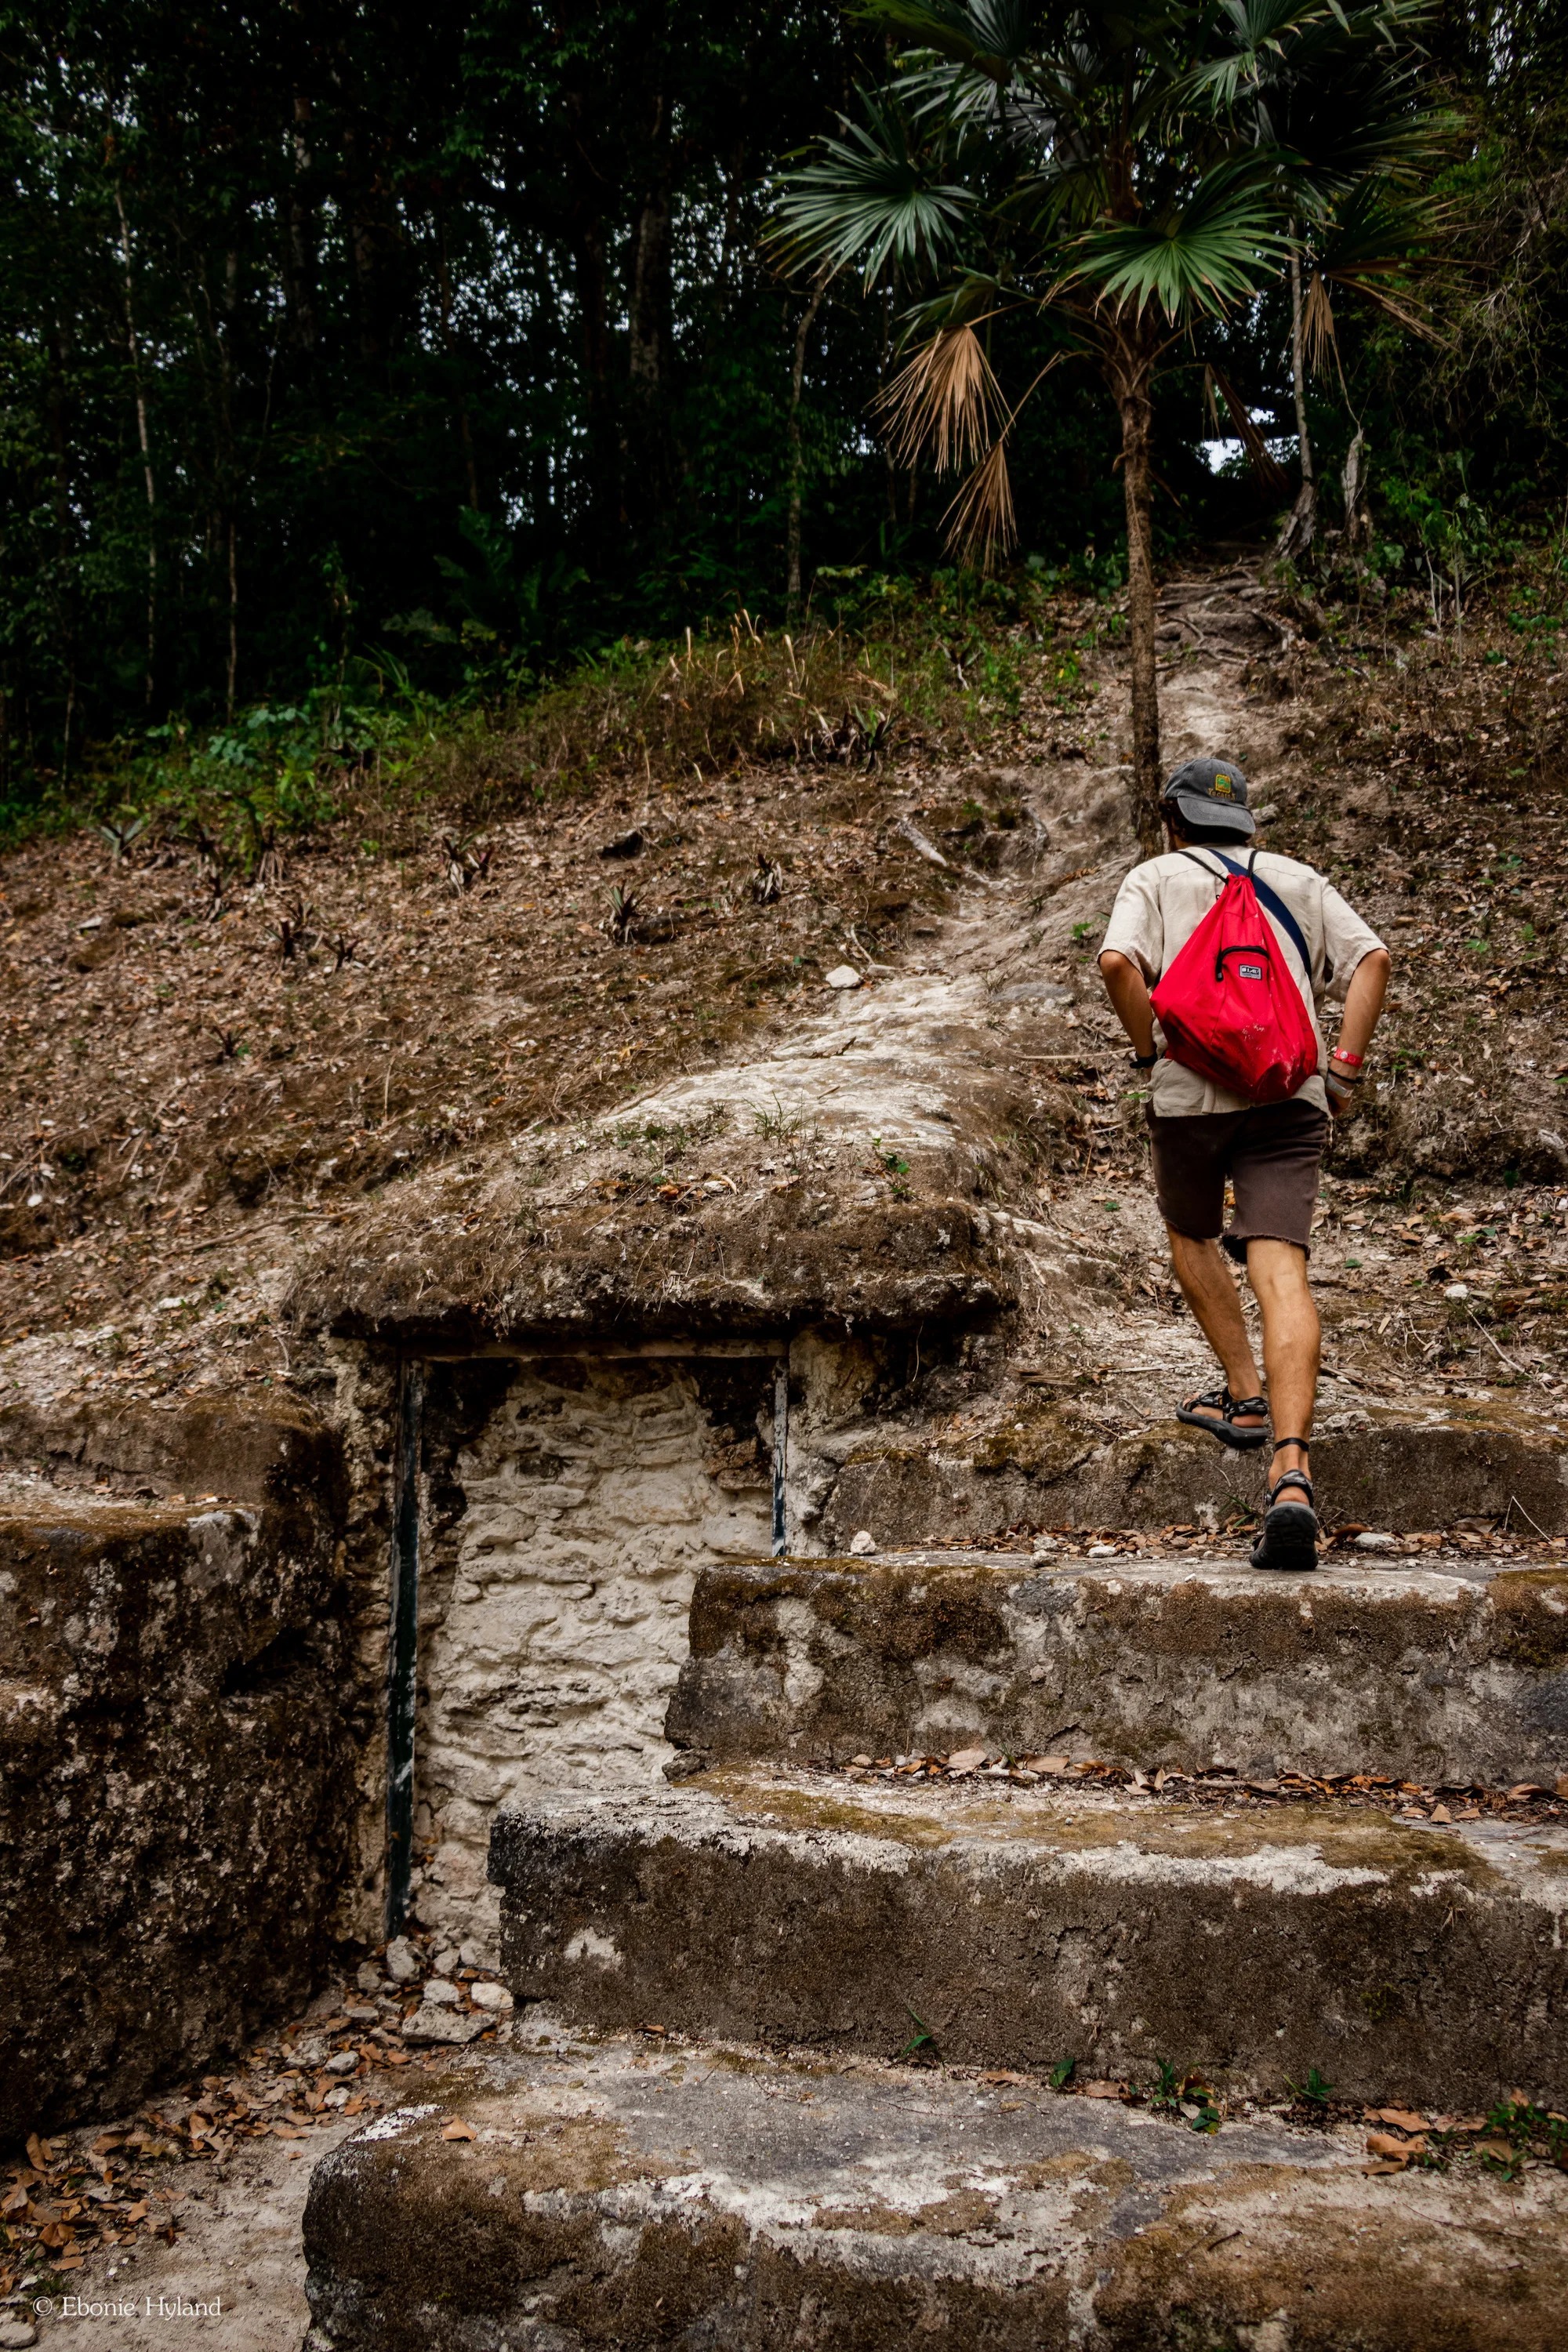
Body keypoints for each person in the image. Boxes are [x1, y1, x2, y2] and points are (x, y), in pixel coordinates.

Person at [1097, 756, 1391, 1570]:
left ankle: (1244, 1394)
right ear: (1246, 821)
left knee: (1189, 1233)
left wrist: (1146, 1048)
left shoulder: (1153, 877)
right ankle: (1291, 1473)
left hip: (1188, 1100)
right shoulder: (1298, 879)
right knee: (1282, 1273)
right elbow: (1372, 960)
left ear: (1174, 819)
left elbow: (1117, 965)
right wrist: (1342, 1073)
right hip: (1289, 1097)